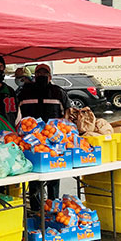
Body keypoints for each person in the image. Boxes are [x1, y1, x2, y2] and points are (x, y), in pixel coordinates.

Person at [18, 63, 71, 206]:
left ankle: (52, 206)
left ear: (50, 76)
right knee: (35, 177)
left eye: (44, 74)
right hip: (31, 142)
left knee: (54, 175)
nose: (41, 76)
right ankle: (36, 209)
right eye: (39, 74)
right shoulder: (24, 92)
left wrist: (63, 130)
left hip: (54, 141)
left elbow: (68, 111)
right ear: (35, 76)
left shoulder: (58, 92)